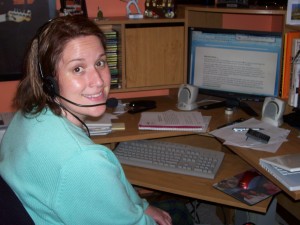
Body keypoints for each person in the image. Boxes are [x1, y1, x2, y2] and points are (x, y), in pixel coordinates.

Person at [0, 15, 172, 225]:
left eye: (100, 63)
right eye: (78, 69)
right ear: (49, 82)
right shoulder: (82, 160)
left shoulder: (29, 114)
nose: (99, 81)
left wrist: (143, 206)